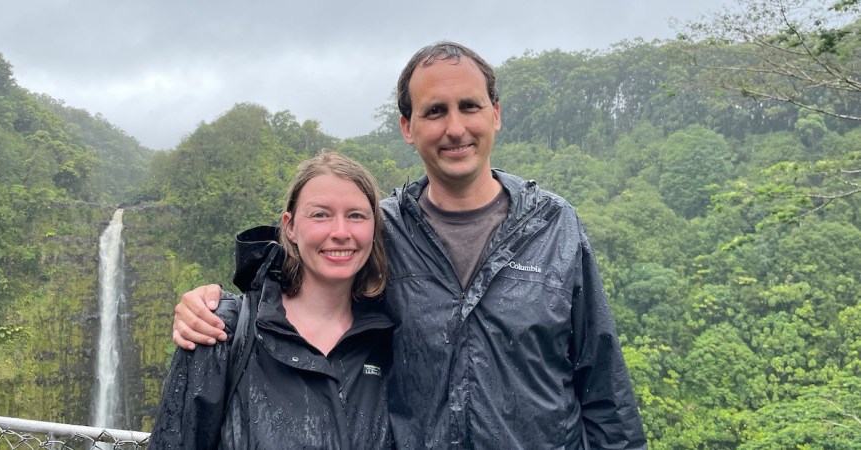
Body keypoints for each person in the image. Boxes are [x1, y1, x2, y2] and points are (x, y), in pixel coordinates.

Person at [172, 41, 648, 449]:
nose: (455, 128)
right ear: (407, 127)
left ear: (496, 114)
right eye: (434, 111)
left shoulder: (554, 225)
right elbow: (310, 265)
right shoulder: (384, 228)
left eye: (470, 106)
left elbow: (603, 385)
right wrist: (214, 303)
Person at [149, 151, 393, 449]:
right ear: (289, 227)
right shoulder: (220, 330)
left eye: (356, 215)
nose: (340, 232)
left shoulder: (392, 339)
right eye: (320, 214)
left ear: (374, 227)